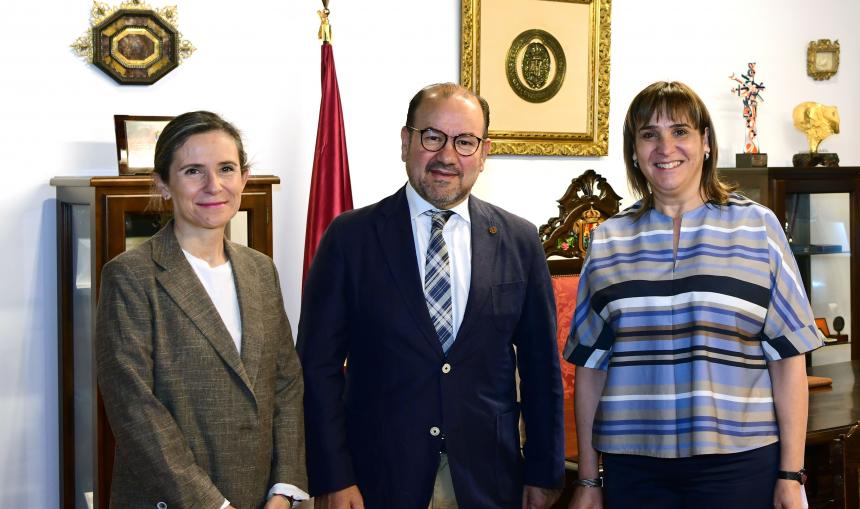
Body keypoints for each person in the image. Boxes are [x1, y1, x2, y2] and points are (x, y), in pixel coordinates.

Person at [298, 83, 564, 509]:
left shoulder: (519, 240)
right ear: (406, 142)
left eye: (464, 142)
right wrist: (332, 476)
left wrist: (544, 470)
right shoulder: (350, 238)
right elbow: (317, 368)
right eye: (432, 136)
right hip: (377, 478)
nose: (447, 156)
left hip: (489, 478)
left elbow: (541, 370)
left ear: (483, 153)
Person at [565, 82, 821, 509]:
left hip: (740, 464)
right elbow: (591, 369)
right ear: (634, 151)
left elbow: (789, 360)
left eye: (680, 131)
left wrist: (791, 476)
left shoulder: (759, 228)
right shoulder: (608, 239)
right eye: (649, 134)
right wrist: (588, 482)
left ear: (705, 142)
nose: (665, 146)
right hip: (634, 467)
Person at [96, 111, 308, 509]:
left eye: (226, 168)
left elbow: (286, 383)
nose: (214, 185)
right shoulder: (130, 277)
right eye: (193, 171)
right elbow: (135, 411)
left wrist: (285, 487)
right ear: (162, 184)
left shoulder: (260, 270)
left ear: (244, 177)